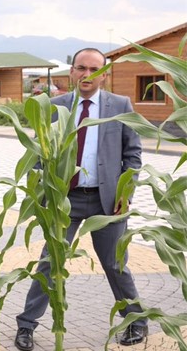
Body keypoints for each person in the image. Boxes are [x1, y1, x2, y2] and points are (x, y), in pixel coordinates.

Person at [14, 48, 147, 351]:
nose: (87, 75)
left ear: (104, 74)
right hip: (65, 200)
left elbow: (133, 155)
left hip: (108, 201)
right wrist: (39, 189)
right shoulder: (54, 106)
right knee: (49, 262)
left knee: (115, 264)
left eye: (94, 70)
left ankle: (136, 322)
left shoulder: (120, 106)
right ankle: (26, 326)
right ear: (72, 71)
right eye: (81, 68)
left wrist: (126, 191)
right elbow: (38, 153)